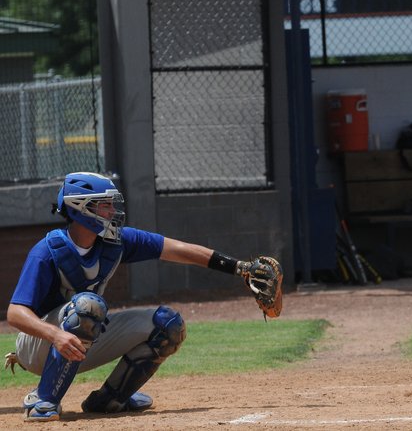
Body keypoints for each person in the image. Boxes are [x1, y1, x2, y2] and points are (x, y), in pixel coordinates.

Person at [5, 172, 282, 422]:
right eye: (105, 205)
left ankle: (111, 398)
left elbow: (177, 249)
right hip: (39, 346)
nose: (113, 211)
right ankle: (43, 399)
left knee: (167, 325)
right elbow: (15, 313)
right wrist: (55, 335)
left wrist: (239, 268)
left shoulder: (115, 241)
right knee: (89, 307)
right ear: (81, 208)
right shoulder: (47, 251)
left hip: (80, 335)